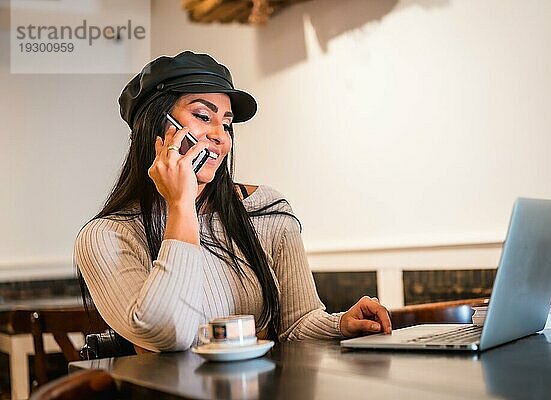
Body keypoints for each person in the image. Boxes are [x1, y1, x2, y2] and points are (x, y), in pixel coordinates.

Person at [74, 51, 392, 352]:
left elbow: (297, 323)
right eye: (202, 116)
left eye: (226, 123)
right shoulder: (106, 237)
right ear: (156, 126)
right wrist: (181, 206)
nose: (221, 136)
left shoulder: (265, 208)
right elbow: (169, 334)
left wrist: (341, 324)